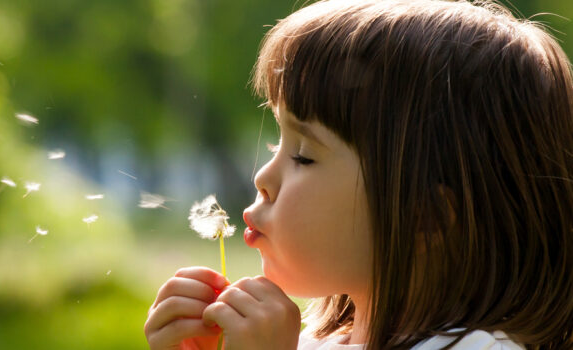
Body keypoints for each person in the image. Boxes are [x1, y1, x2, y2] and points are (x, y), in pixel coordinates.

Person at [144, 0, 573, 348]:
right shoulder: (312, 342)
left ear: (424, 217)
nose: (262, 178)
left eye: (305, 155)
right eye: (278, 143)